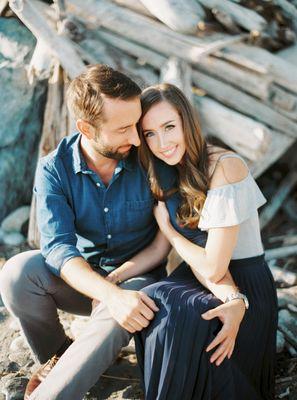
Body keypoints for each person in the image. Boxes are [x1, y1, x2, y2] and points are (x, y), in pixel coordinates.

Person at [0, 66, 245, 400]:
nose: (136, 137)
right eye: (124, 129)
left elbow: (189, 236)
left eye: (136, 124)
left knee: (128, 306)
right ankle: (60, 354)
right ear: (86, 128)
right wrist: (107, 292)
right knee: (17, 273)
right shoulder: (53, 170)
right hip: (84, 282)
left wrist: (233, 297)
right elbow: (58, 250)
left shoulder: (150, 158)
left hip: (138, 278)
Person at [112, 83, 278, 399]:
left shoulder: (224, 166)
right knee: (153, 299)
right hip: (197, 275)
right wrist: (112, 279)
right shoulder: (167, 169)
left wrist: (172, 232)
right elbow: (159, 249)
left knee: (170, 304)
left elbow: (215, 267)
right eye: (150, 134)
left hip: (243, 282)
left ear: (187, 120)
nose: (162, 143)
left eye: (169, 127)